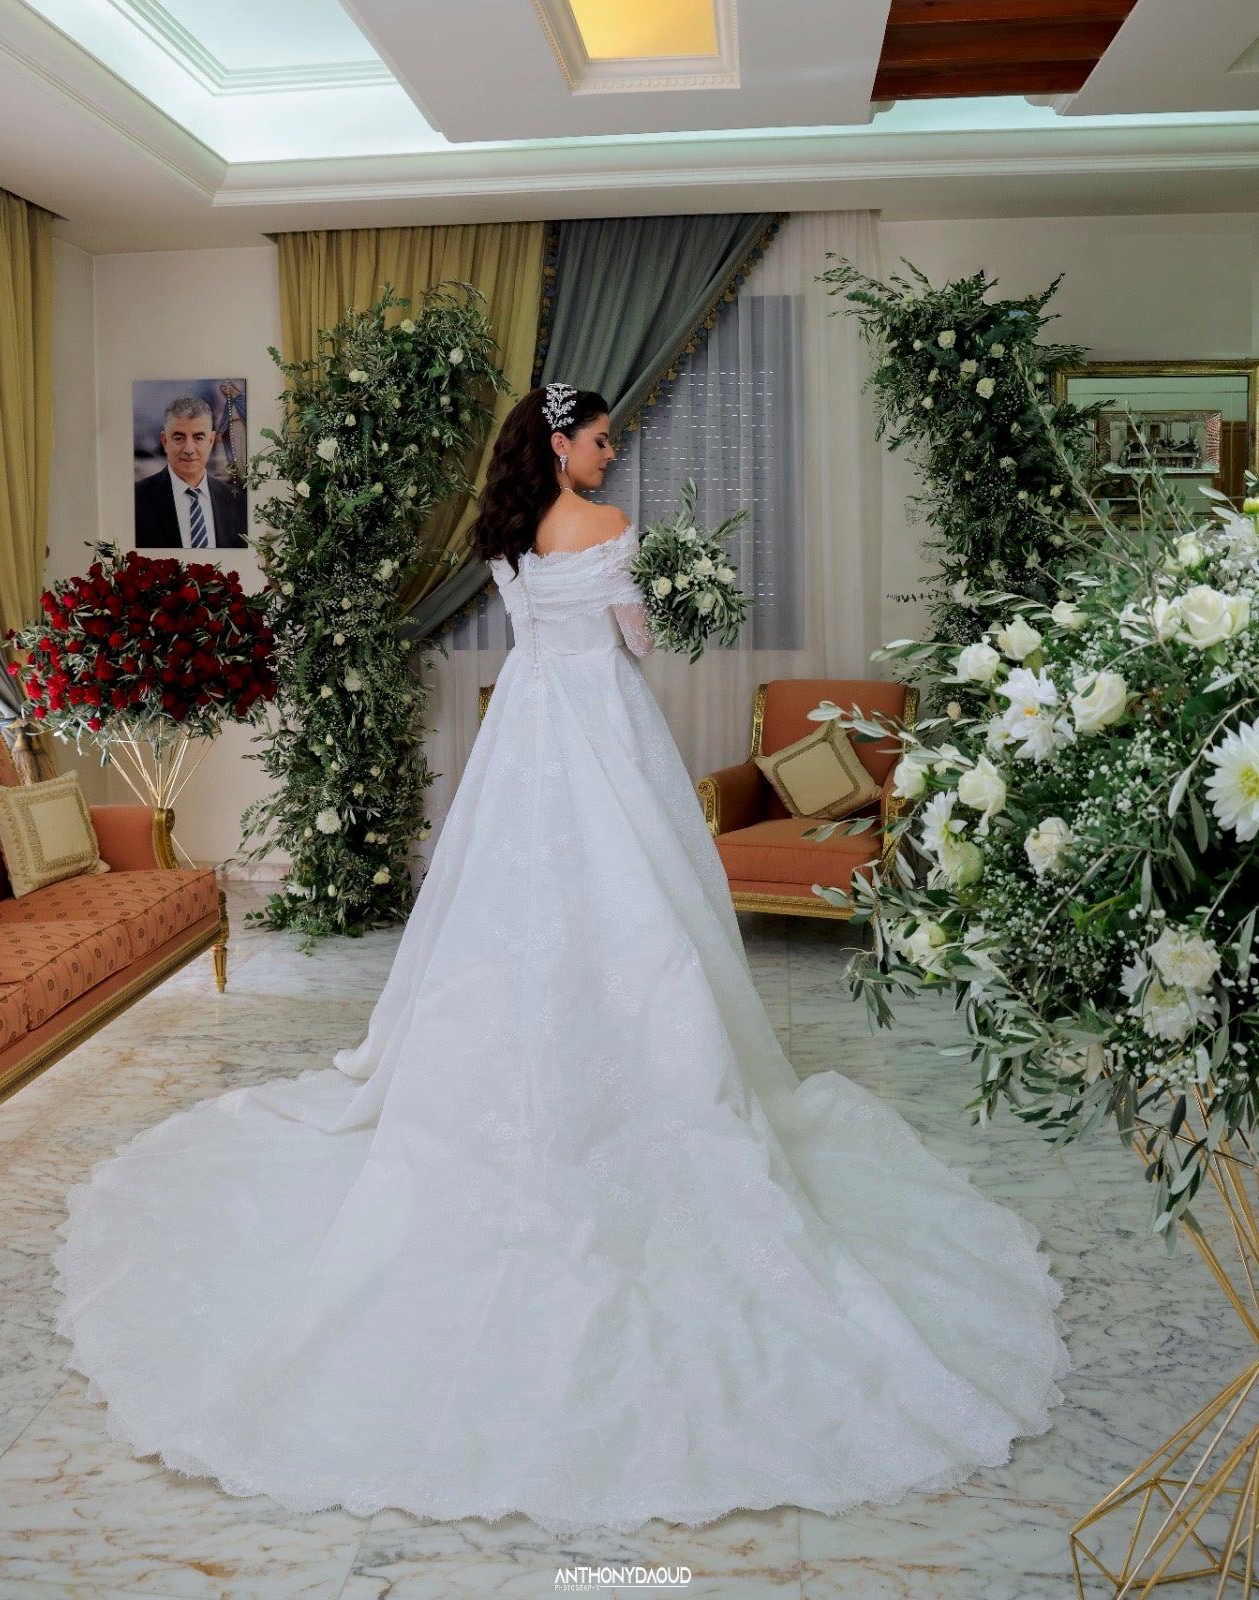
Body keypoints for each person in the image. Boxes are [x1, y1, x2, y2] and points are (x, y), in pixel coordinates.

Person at [53, 383, 1068, 1539]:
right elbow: (633, 640)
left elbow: (537, 634)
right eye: (596, 438)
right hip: (603, 725)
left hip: (526, 732)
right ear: (559, 443)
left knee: (504, 906)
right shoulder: (610, 525)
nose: (607, 451)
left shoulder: (505, 533)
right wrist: (661, 605)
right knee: (643, 902)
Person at [134, 395, 248, 549]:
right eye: (179, 438)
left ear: (211, 441)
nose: (189, 449)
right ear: (165, 441)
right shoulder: (136, 500)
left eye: (198, 438)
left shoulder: (239, 503)